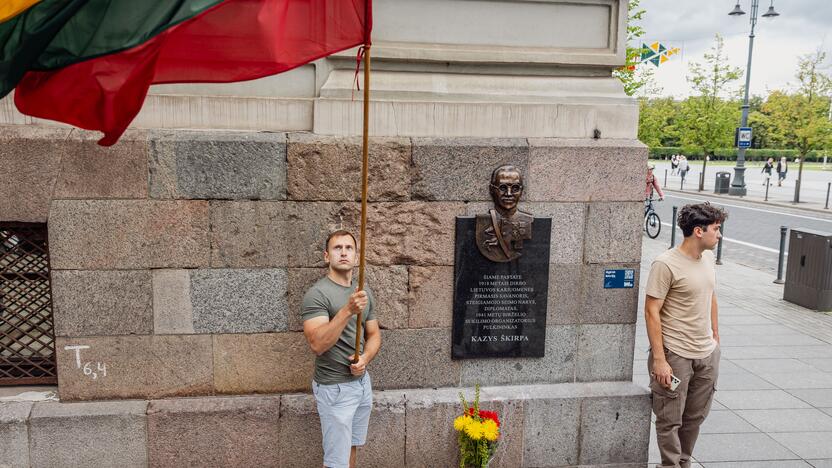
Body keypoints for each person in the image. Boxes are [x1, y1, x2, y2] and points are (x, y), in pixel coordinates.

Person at [645, 203, 726, 468]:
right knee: (670, 420)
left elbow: (710, 295)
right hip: (675, 354)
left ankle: (683, 462)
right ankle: (670, 465)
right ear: (698, 231)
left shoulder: (708, 259)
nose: (720, 234)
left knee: (694, 418)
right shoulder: (665, 264)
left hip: (706, 353)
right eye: (716, 229)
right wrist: (659, 359)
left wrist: (715, 337)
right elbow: (651, 311)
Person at [302, 230, 382, 468]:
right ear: (327, 256)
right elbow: (317, 344)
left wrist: (365, 358)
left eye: (349, 248)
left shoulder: (363, 291)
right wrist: (347, 310)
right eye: (338, 248)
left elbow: (375, 334)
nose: (344, 252)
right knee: (336, 461)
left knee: (351, 448)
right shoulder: (317, 294)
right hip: (334, 388)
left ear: (356, 257)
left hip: (361, 383)